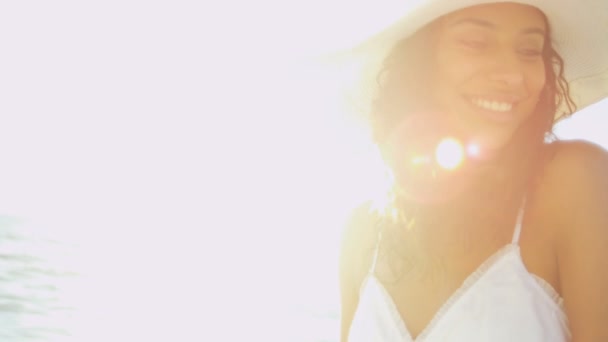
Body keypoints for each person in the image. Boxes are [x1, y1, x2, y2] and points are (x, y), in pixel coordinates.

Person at [338, 1, 608, 341]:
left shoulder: (573, 182)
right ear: (420, 60)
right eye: (476, 43)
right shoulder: (363, 233)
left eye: (529, 49)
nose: (511, 75)